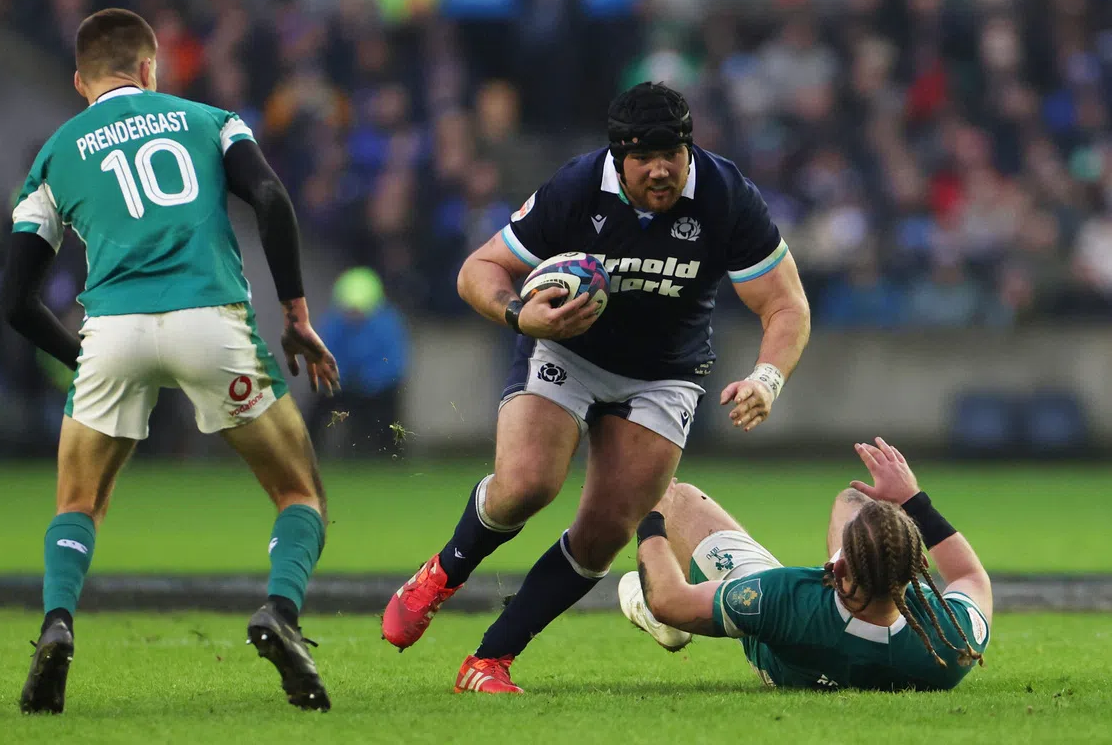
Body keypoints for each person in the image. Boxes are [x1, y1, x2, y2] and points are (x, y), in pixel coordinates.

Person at [382, 81, 811, 693]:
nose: (662, 171)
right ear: (617, 156)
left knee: (605, 531)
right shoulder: (578, 186)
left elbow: (787, 305)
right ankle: (443, 572)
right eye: (645, 158)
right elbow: (479, 269)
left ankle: (488, 661)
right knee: (526, 486)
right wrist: (518, 315)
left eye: (674, 154)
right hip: (567, 348)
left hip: (666, 371)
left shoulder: (724, 193)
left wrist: (768, 379)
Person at [2, 9, 340, 713]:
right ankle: (279, 612)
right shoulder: (209, 119)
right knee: (300, 492)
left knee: (79, 503)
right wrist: (298, 313)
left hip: (112, 332)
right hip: (211, 319)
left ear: (80, 82)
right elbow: (273, 199)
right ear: (150, 68)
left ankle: (57, 625)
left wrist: (84, 360)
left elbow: (15, 302)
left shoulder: (55, 152)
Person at [618, 438, 991, 691]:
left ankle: (649, 612)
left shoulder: (783, 596)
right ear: (918, 565)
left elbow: (670, 601)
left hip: (788, 653)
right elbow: (969, 576)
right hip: (843, 635)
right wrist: (913, 500)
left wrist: (651, 512)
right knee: (854, 500)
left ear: (839, 568)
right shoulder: (951, 641)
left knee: (680, 499)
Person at [307, 267, 409, 456]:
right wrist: (343, 380)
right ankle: (307, 454)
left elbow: (393, 364)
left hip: (376, 389)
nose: (354, 315)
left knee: (387, 419)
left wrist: (367, 382)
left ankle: (391, 457)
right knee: (317, 411)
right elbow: (324, 356)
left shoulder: (387, 324)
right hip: (343, 385)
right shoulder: (334, 323)